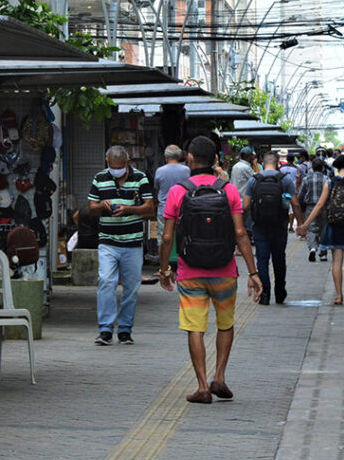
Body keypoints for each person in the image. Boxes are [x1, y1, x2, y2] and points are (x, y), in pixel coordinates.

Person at [158, 135, 261, 404]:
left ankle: (203, 386)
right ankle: (220, 377)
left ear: (189, 159)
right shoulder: (228, 190)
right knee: (225, 325)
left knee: (195, 328)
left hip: (190, 271)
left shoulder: (178, 191)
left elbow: (167, 238)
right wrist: (253, 272)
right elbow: (240, 233)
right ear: (216, 160)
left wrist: (164, 269)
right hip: (224, 270)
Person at [89, 145, 156, 345]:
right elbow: (91, 208)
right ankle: (106, 329)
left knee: (131, 287)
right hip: (107, 241)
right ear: (107, 163)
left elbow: (150, 209)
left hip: (133, 242)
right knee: (106, 281)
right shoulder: (100, 178)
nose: (115, 170)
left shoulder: (140, 178)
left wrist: (128, 210)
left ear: (127, 163)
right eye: (111, 166)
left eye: (118, 167)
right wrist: (102, 206)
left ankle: (125, 329)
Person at [297, 154, 344, 305]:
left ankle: (338, 296)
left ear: (337, 167)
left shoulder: (329, 181)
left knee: (337, 260)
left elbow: (319, 205)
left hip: (333, 224)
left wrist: (305, 224)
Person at [244, 151, 303, 304]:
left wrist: (257, 211)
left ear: (263, 164)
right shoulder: (285, 179)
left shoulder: (254, 180)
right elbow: (295, 204)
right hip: (280, 226)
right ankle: (280, 292)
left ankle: (264, 294)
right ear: (277, 164)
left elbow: (245, 205)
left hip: (260, 226)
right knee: (279, 259)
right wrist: (301, 224)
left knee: (262, 260)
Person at [154, 145, 191, 243]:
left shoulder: (160, 171)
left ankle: (163, 257)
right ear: (179, 156)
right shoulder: (186, 170)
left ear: (165, 155)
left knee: (163, 237)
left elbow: (156, 187)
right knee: (182, 236)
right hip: (182, 208)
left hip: (164, 208)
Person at [298, 157, 329, 261]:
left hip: (310, 207)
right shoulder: (326, 179)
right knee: (323, 228)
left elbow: (301, 195)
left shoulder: (306, 179)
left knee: (311, 228)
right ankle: (323, 252)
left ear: (312, 167)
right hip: (324, 207)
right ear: (322, 167)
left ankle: (312, 249)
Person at [230, 146, 256, 240]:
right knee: (246, 225)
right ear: (249, 157)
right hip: (244, 200)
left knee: (238, 224)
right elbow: (255, 179)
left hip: (235, 199)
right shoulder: (246, 168)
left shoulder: (235, 166)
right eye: (252, 156)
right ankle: (244, 243)